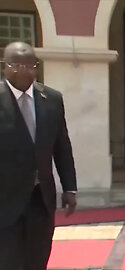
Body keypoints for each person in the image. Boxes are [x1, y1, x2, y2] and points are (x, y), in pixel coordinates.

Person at [0, 42, 77, 269]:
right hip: (5, 201)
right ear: (5, 66)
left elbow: (62, 146)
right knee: (9, 262)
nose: (23, 70)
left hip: (41, 200)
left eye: (30, 64)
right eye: (16, 64)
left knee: (38, 259)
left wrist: (70, 188)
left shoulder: (51, 99)